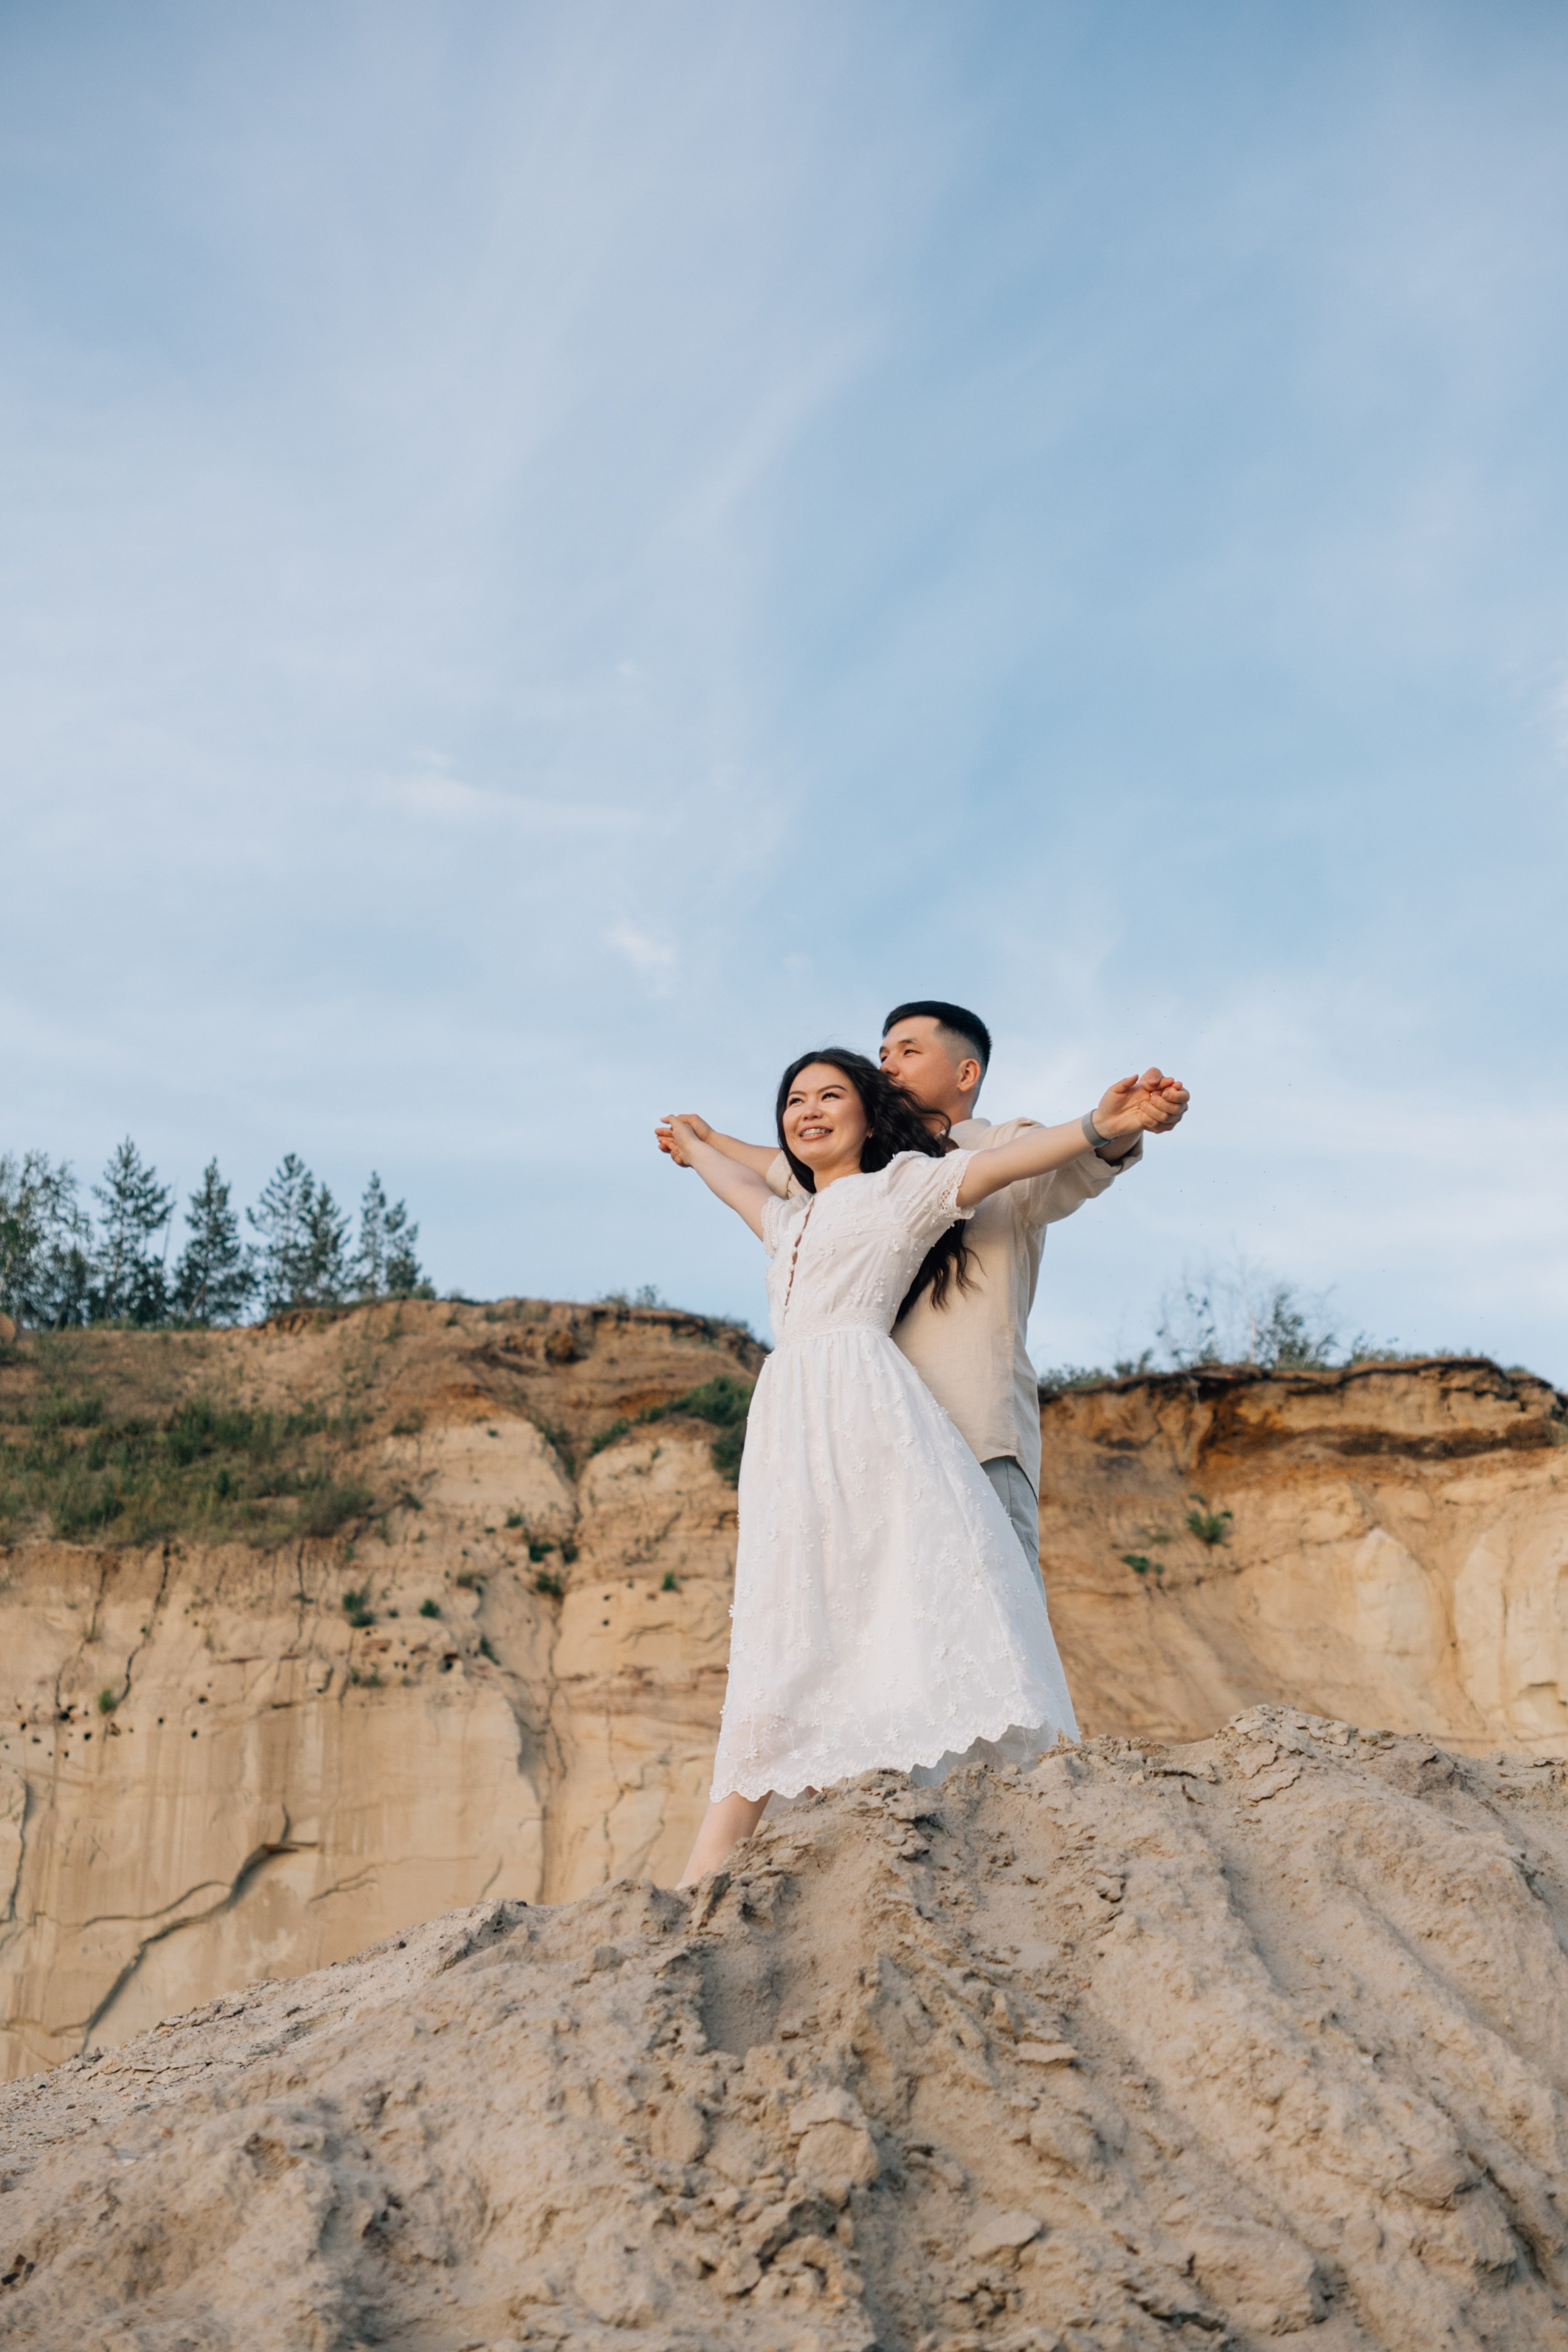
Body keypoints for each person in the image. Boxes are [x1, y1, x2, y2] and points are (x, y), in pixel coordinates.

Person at [662, 1046, 1182, 1886]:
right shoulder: (789, 1222)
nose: (808, 1110)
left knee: (890, 1603)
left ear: (870, 1117)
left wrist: (1099, 1125)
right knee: (783, 1613)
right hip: (789, 1425)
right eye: (794, 1100)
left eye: (832, 1094)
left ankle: (733, 1858)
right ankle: (714, 1858)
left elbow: (1006, 1162)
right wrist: (695, 1146)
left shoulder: (904, 1188)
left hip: (867, 1413)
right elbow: (742, 1186)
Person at [658, 1000, 1188, 1572]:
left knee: (996, 1625)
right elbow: (777, 1169)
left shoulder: (999, 1145)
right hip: (870, 1448)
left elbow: (1074, 1161)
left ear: (966, 1073)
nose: (888, 1065)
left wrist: (1112, 1127)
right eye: (882, 1053)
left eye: (909, 1052)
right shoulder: (865, 1176)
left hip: (971, 1434)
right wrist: (707, 1141)